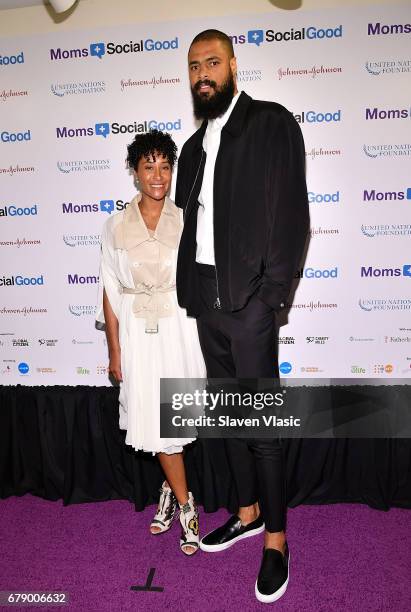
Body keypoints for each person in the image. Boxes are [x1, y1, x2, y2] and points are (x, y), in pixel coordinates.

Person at [175, 30, 309, 601]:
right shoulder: (193, 147)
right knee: (229, 420)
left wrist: (269, 298)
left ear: (233, 65)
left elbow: (293, 218)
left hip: (251, 304)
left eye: (212, 62)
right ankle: (248, 512)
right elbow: (190, 226)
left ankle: (276, 540)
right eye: (193, 67)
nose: (202, 73)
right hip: (206, 300)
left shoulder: (271, 124)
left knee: (263, 431)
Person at [96, 129, 206, 556]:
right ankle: (186, 505)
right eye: (149, 167)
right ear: (135, 172)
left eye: (165, 166)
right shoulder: (115, 226)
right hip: (138, 336)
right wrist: (114, 350)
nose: (158, 175)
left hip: (180, 330)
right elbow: (109, 290)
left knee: (172, 426)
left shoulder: (186, 219)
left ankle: (168, 492)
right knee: (157, 428)